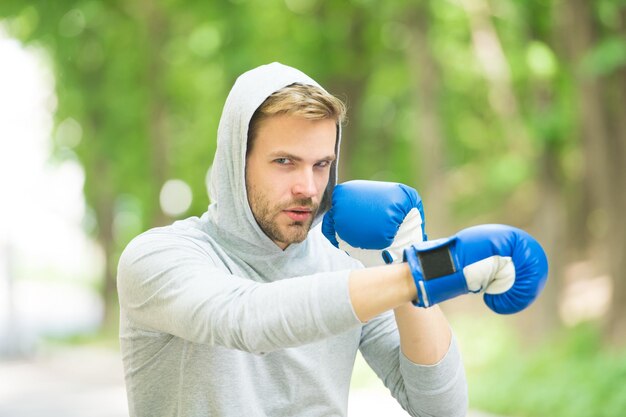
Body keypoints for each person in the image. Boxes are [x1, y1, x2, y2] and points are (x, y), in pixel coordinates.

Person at [117, 62, 547, 417]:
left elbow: (440, 409)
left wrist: (407, 253)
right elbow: (248, 318)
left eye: (321, 164)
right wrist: (434, 268)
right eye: (284, 162)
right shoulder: (159, 259)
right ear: (236, 162)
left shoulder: (345, 274)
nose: (308, 187)